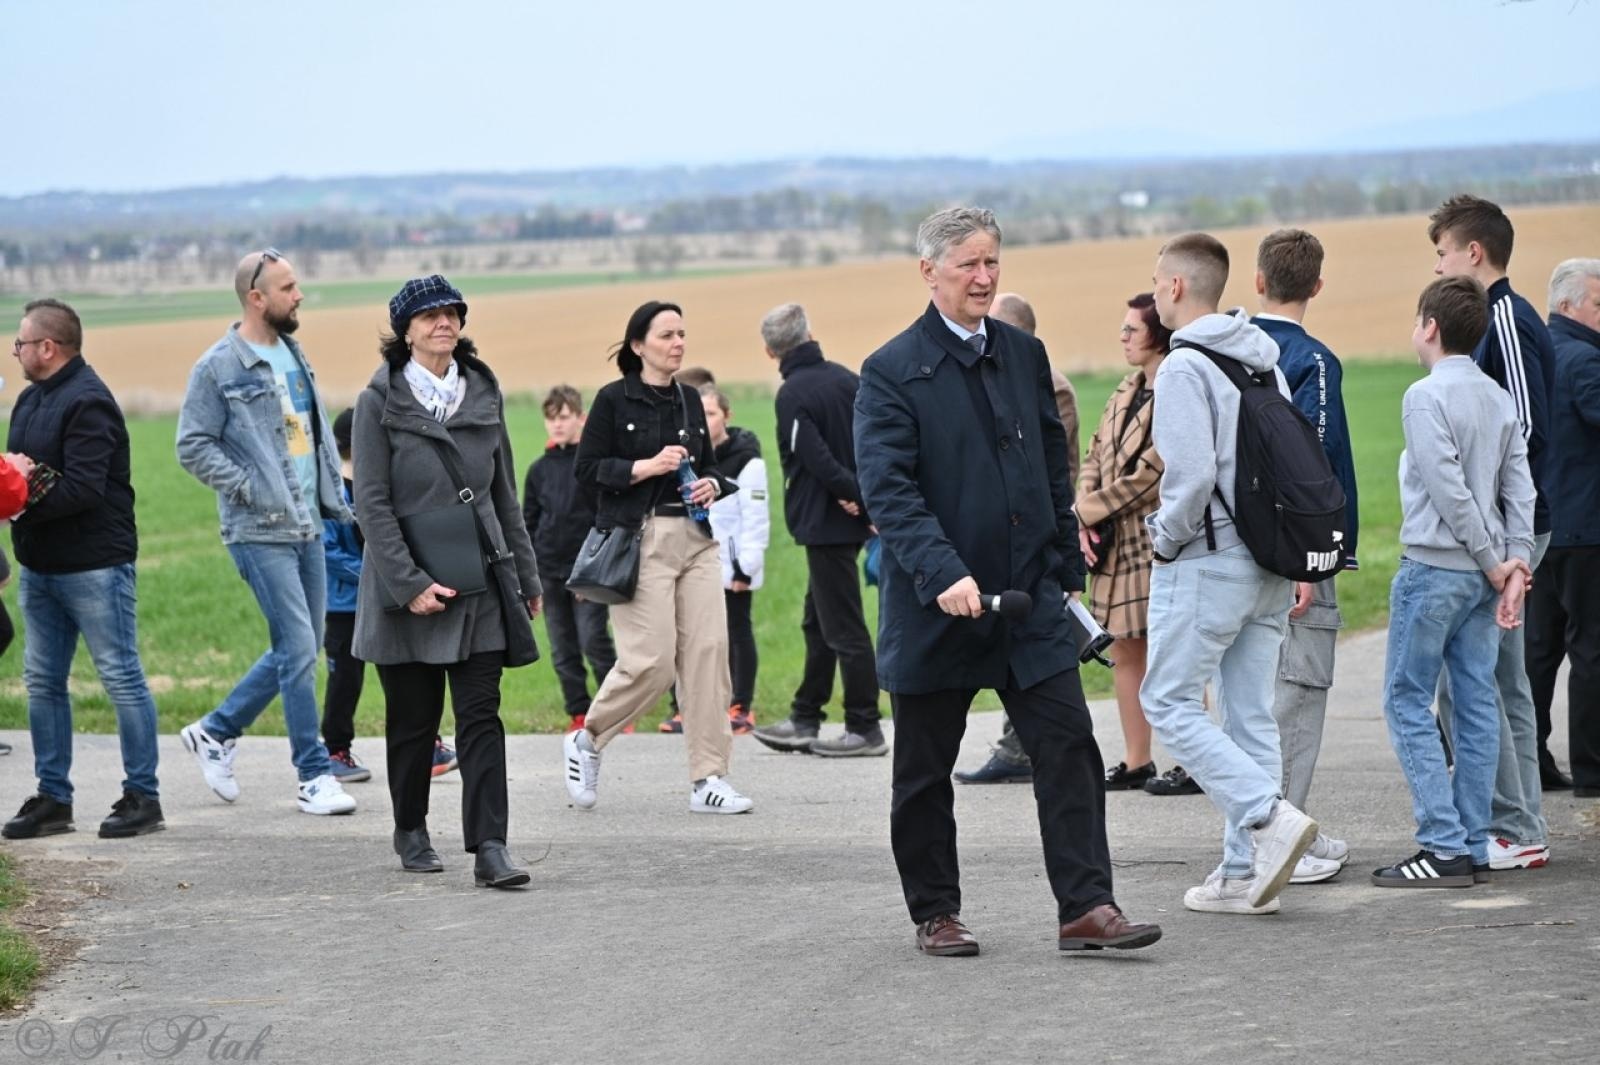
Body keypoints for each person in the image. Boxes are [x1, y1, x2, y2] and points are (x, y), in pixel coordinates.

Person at [855, 206, 1161, 955]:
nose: (984, 277)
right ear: (929, 272)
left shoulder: (1024, 354)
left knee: (1070, 746)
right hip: (939, 607)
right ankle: (936, 912)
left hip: (1029, 602)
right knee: (923, 771)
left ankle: (1087, 907)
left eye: (992, 261)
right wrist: (943, 572)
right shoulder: (891, 371)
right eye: (968, 264)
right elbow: (890, 492)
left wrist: (1065, 569)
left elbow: (1052, 471)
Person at [1139, 232, 1319, 916]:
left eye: (1158, 280)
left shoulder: (1184, 367)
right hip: (1269, 559)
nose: (1156, 291)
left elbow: (1190, 477)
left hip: (1207, 561)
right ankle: (1244, 872)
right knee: (1248, 714)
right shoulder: (1263, 361)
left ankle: (1267, 817)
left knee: (1168, 702)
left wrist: (1164, 540)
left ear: (1176, 286)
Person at [352, 275, 540, 887]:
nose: (444, 322)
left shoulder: (483, 394)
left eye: (452, 313)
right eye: (429, 315)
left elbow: (504, 495)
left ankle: (491, 848)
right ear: (405, 330)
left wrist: (526, 575)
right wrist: (409, 584)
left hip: (480, 580)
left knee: (481, 715)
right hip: (404, 585)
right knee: (414, 720)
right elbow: (371, 503)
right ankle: (410, 828)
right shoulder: (377, 403)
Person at [175, 250, 357, 816]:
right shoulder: (218, 367)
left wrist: (333, 500)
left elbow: (311, 436)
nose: (299, 295)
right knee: (300, 647)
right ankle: (313, 775)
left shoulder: (294, 353)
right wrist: (249, 487)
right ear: (256, 298)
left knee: (300, 647)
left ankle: (216, 730)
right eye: (288, 287)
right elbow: (191, 445)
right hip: (259, 529)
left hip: (308, 523)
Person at [1372, 275, 1534, 887]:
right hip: (1484, 580)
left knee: (1406, 698)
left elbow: (1448, 489)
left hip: (1435, 569)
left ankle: (1442, 846)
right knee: (1475, 702)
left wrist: (1498, 563)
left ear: (1431, 327)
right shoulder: (1497, 396)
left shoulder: (1424, 395)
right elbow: (1520, 489)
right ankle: (1472, 842)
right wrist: (1515, 564)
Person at [562, 300, 754, 814]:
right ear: (638, 345)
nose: (678, 343)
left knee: (709, 656)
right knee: (651, 663)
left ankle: (708, 779)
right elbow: (586, 470)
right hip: (641, 540)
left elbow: (710, 466)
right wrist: (644, 467)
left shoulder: (690, 399)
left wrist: (712, 484)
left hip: (697, 540)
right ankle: (588, 738)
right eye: (667, 335)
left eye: (682, 334)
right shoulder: (612, 400)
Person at [2, 298, 164, 840]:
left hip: (95, 565)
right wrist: (17, 485)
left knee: (120, 676)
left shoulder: (89, 401)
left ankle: (143, 797)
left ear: (48, 347)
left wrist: (19, 499)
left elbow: (83, 489)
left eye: (21, 343)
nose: (16, 352)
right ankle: (53, 799)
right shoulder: (29, 400)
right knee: (43, 682)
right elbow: (18, 473)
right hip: (40, 565)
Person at [1429, 195, 1556, 868]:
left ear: (1473, 252)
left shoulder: (1504, 316)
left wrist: (1501, 538)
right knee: (1498, 680)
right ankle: (1520, 822)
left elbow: (1524, 427)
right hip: (1509, 529)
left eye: (1443, 252)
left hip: (1510, 532)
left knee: (1481, 682)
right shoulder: (1498, 319)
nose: (1439, 265)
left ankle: (1514, 825)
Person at [1252, 229, 1358, 883]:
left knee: (1252, 697)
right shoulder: (1310, 360)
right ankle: (1281, 840)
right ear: (1317, 286)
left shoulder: (1224, 349)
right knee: (1296, 692)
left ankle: (1257, 829)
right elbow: (1312, 465)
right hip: (1295, 556)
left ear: (1258, 281)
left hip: (1239, 551)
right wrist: (1310, 560)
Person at [954, 291, 1094, 784]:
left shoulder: (1048, 383)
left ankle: (1020, 749)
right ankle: (1020, 746)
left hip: (1037, 531)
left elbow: (1051, 462)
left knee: (1035, 646)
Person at [751, 302, 885, 757]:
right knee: (817, 622)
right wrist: (863, 494)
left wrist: (851, 493)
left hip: (825, 524)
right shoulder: (848, 380)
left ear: (771, 352)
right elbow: (873, 442)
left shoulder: (791, 394)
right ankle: (805, 716)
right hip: (847, 517)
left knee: (845, 629)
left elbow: (815, 458)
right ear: (809, 335)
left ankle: (865, 727)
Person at [1528, 259, 1600, 799]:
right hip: (1586, 531)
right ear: (1568, 305)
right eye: (1599, 304)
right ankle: (1593, 770)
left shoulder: (1536, 355)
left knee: (1538, 652)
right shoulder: (1586, 361)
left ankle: (1531, 762)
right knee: (1591, 651)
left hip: (1540, 528)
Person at [523, 386, 616, 732]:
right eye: (551, 418)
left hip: (587, 572)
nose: (557, 425)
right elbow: (528, 523)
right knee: (562, 649)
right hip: (549, 572)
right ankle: (579, 712)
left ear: (581, 418)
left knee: (593, 640)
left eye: (564, 417)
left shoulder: (592, 467)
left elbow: (605, 520)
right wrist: (530, 573)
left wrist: (590, 572)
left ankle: (614, 709)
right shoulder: (538, 470)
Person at [701, 385, 769, 734]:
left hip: (733, 566)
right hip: (697, 562)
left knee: (736, 632)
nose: (705, 421)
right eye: (699, 414)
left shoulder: (747, 460)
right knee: (698, 637)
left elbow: (756, 518)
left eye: (711, 413)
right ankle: (697, 705)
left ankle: (741, 705)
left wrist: (746, 566)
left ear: (727, 416)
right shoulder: (691, 457)